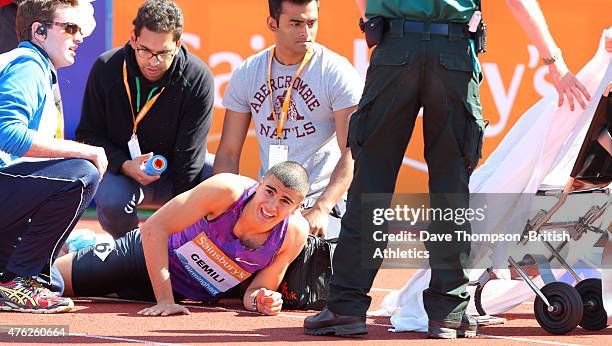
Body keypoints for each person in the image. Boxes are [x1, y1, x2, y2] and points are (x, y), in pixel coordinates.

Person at [304, 0, 592, 338]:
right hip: (454, 53)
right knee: (451, 192)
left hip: (395, 50)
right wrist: (553, 62)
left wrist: (371, 17)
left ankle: (345, 308)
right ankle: (448, 314)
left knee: (371, 187)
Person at [54, 161, 310, 316]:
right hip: (143, 257)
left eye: (285, 201)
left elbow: (253, 291)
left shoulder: (294, 234)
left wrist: (261, 300)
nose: (271, 205)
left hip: (181, 293)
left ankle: (85, 245)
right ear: (260, 182)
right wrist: (165, 300)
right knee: (51, 282)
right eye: (270, 191)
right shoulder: (226, 191)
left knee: (106, 294)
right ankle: (81, 243)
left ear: (296, 208)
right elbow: (153, 228)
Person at [213, 0, 363, 239]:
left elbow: (352, 152)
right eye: (295, 23)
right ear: (272, 23)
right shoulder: (249, 71)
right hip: (267, 201)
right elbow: (228, 153)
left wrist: (322, 208)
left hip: (320, 200)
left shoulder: (336, 71)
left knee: (311, 267)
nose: (305, 32)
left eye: (311, 23)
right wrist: (225, 210)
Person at [76, 0, 215, 239]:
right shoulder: (106, 67)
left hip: (174, 173)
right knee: (112, 200)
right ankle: (129, 251)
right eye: (145, 50)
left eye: (163, 53)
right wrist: (124, 165)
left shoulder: (198, 77)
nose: (153, 61)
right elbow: (88, 134)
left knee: (217, 177)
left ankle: (187, 247)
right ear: (133, 39)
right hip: (123, 172)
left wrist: (176, 224)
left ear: (178, 44)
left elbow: (189, 158)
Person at [0, 0, 105, 314]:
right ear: (39, 32)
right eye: (70, 28)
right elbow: (7, 133)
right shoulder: (28, 64)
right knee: (82, 172)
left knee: (54, 282)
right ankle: (17, 281)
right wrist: (85, 150)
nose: (79, 37)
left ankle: (17, 278)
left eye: (80, 30)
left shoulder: (34, 66)